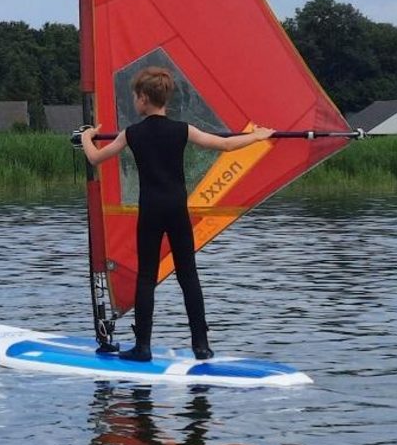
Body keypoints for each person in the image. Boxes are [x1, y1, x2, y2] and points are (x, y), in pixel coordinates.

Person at [77, 67, 272, 362]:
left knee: (146, 277)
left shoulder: (132, 134)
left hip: (151, 211)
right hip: (176, 210)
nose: (134, 101)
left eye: (135, 97)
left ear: (143, 98)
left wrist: (88, 136)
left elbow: (94, 157)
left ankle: (142, 346)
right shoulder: (183, 130)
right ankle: (201, 346)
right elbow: (226, 145)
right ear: (164, 98)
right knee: (188, 276)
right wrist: (257, 136)